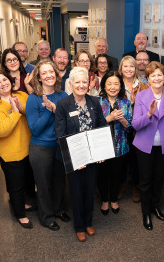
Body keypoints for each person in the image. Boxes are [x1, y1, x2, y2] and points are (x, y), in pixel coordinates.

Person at [55, 67, 107, 242]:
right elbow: (60, 134)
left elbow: (101, 126)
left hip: (92, 154)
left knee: (89, 190)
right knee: (76, 192)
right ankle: (79, 225)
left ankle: (88, 222)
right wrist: (74, 158)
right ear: (70, 84)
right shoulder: (63, 105)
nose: (81, 85)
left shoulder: (94, 101)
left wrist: (101, 151)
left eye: (84, 82)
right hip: (74, 156)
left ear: (88, 84)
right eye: (77, 82)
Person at [132, 61, 164, 230]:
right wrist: (149, 114)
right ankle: (146, 212)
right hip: (144, 146)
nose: (157, 78)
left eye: (160, 74)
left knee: (158, 179)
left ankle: (155, 206)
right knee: (145, 181)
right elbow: (135, 125)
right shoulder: (141, 96)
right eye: (153, 75)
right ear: (148, 77)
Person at [0, 68, 35, 229]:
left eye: (4, 80)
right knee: (15, 186)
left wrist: (21, 109)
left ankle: (22, 204)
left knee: (28, 181)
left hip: (29, 148)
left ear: (10, 80)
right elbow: (0, 131)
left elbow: (33, 115)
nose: (3, 84)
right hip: (11, 154)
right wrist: (15, 112)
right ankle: (20, 214)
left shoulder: (21, 95)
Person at [25, 60, 71, 231]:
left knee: (59, 181)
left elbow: (69, 121)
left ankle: (59, 210)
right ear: (39, 77)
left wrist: (57, 110)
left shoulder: (63, 96)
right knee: (43, 184)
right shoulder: (33, 99)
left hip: (60, 145)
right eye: (44, 73)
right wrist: (48, 109)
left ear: (56, 74)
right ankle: (47, 217)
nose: (49, 75)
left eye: (51, 72)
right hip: (41, 148)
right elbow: (35, 129)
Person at [97, 71, 132, 216]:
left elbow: (130, 127)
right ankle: (105, 200)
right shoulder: (97, 102)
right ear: (104, 86)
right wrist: (109, 118)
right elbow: (93, 125)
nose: (113, 87)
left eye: (116, 84)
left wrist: (122, 119)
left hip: (120, 145)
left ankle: (113, 199)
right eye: (109, 83)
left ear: (120, 86)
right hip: (101, 146)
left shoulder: (126, 103)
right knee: (102, 175)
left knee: (116, 175)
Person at [119, 55, 149, 203]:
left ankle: (135, 186)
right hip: (121, 127)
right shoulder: (116, 85)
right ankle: (122, 184)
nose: (129, 69)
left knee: (136, 159)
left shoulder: (144, 86)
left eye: (131, 66)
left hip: (138, 129)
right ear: (121, 69)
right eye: (125, 66)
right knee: (122, 158)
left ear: (135, 68)